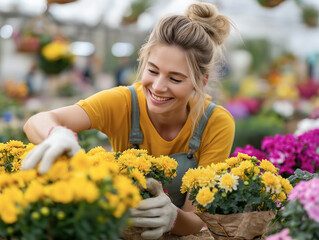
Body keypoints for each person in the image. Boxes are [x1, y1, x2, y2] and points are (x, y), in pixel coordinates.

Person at [21, 2, 235, 239]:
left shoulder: (216, 123)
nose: (158, 87)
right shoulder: (123, 102)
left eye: (175, 79)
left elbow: (196, 219)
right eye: (153, 71)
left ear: (201, 81)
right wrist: (58, 135)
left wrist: (172, 218)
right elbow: (38, 121)